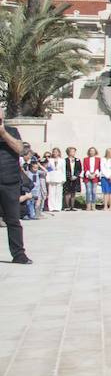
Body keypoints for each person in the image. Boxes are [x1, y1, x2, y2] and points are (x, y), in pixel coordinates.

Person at [0, 111, 32, 263]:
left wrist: (3, 133)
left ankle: (19, 255)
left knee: (13, 220)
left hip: (9, 182)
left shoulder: (11, 131)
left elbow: (20, 149)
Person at [44, 149, 62, 215]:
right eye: (54, 152)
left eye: (56, 152)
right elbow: (48, 169)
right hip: (51, 177)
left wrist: (63, 179)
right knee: (51, 193)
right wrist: (48, 178)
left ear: (59, 153)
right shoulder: (50, 160)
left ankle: (58, 207)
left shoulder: (62, 160)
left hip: (59, 178)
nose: (55, 153)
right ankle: (51, 207)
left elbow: (63, 170)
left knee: (58, 193)